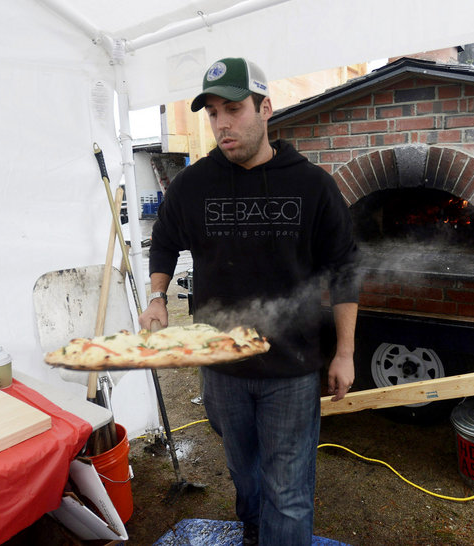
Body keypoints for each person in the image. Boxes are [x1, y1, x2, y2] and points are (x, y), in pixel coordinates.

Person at [138, 57, 359, 545]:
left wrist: (344, 353)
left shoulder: (312, 186)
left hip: (292, 369)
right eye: (212, 113)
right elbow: (164, 241)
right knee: (245, 473)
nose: (221, 123)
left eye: (233, 109)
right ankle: (256, 532)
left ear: (265, 109)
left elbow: (344, 271)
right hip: (221, 368)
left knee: (290, 490)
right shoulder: (194, 185)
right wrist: (157, 296)